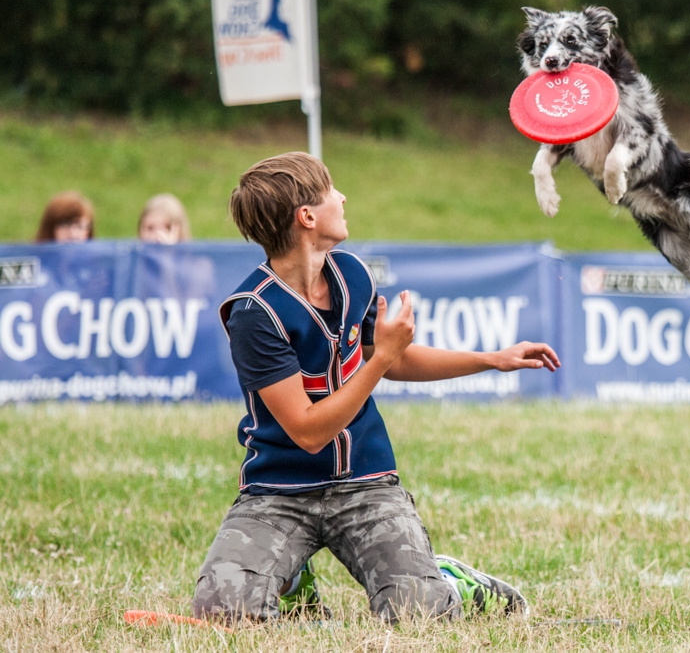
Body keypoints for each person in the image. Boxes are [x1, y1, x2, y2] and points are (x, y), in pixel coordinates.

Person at [192, 152, 560, 624]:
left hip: (366, 485)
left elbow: (394, 359)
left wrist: (492, 359)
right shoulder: (253, 314)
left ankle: (448, 582)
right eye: (331, 192)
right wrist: (382, 357)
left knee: (418, 616)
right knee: (221, 609)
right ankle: (290, 587)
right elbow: (308, 432)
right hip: (277, 491)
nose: (342, 197)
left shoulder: (353, 275)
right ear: (307, 217)